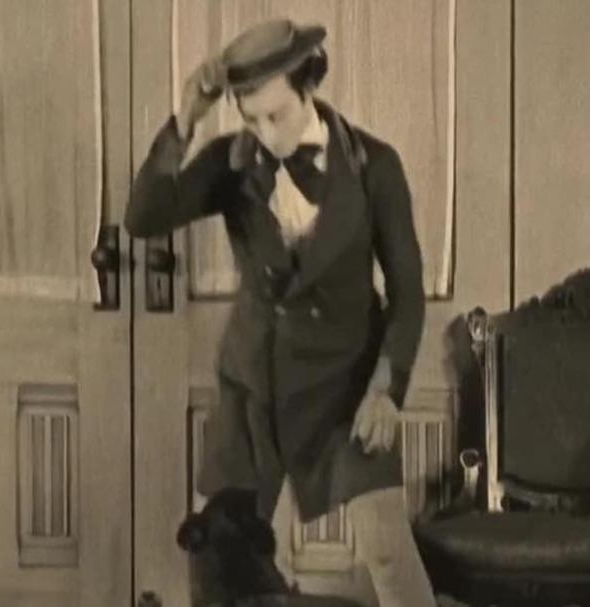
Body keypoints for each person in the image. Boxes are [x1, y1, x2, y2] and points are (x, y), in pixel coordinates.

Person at [125, 19, 435, 606]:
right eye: (250, 119)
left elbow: (408, 294)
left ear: (308, 87)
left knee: (388, 551)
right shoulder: (230, 163)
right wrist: (186, 118)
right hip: (254, 387)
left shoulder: (375, 167)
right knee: (215, 556)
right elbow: (143, 218)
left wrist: (386, 390)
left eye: (276, 115)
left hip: (347, 389)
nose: (266, 134)